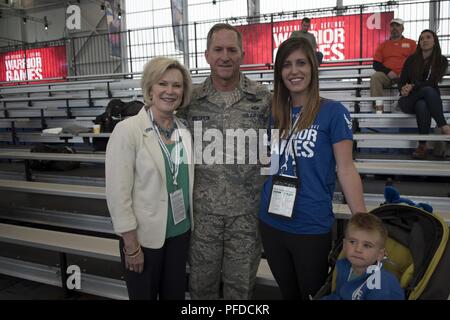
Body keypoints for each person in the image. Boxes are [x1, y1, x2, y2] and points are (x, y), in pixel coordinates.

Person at [259, 37, 367, 300]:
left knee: (313, 294)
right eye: (286, 65)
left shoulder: (333, 111)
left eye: (300, 63)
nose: (294, 71)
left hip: (310, 225)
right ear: (279, 72)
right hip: (271, 221)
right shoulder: (275, 113)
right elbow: (270, 163)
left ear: (312, 68)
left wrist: (363, 222)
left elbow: (346, 169)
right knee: (288, 293)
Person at [177, 23, 272, 299]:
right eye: (218, 49)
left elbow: (272, 153)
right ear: (206, 54)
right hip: (203, 217)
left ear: (242, 54)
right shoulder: (190, 100)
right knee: (201, 289)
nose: (225, 56)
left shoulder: (262, 99)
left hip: (246, 217)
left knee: (240, 291)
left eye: (232, 50)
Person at [105, 57, 194, 300]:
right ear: (150, 89)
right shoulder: (128, 131)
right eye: (162, 84)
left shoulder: (184, 130)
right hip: (143, 240)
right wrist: (131, 246)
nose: (169, 91)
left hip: (179, 234)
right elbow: (117, 194)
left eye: (177, 85)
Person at [322, 212, 405, 300]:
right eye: (352, 242)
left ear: (380, 255)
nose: (358, 249)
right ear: (344, 245)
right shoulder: (344, 268)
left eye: (367, 245)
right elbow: (338, 296)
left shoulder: (383, 285)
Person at [398, 29, 450, 160]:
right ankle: (444, 126)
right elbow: (402, 81)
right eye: (421, 38)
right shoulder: (411, 60)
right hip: (409, 99)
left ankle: (422, 146)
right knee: (426, 92)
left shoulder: (441, 60)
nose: (424, 40)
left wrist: (414, 86)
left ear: (434, 41)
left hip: (428, 98)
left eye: (428, 37)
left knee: (422, 104)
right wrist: (403, 89)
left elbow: (433, 81)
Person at [370, 18, 416, 103]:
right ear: (389, 29)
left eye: (397, 25)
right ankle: (378, 108)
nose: (394, 28)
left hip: (406, 75)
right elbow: (376, 64)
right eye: (392, 26)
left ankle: (407, 104)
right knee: (375, 77)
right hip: (388, 76)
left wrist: (405, 72)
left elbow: (416, 61)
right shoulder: (383, 45)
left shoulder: (411, 43)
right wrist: (388, 71)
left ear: (402, 29)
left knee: (414, 75)